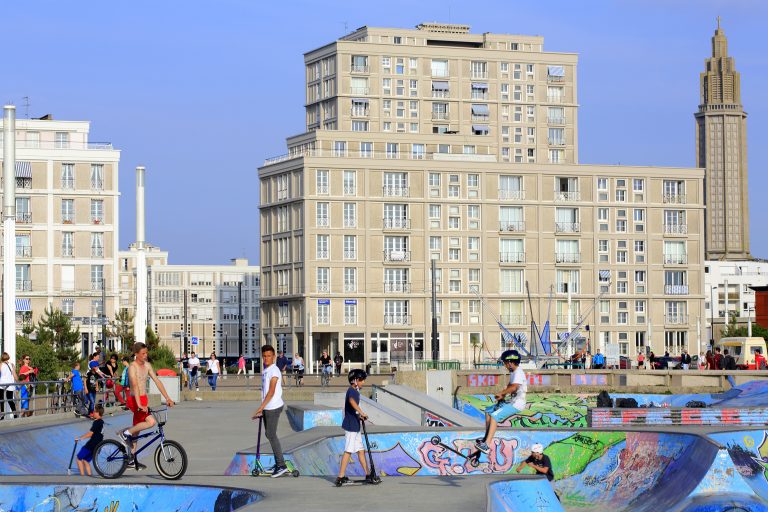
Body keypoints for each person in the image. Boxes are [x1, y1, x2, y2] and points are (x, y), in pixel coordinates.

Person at [119, 342, 175, 469]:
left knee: (137, 431)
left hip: (143, 399)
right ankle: (125, 433)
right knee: (151, 422)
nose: (145, 355)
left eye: (146, 353)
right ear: (136, 354)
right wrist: (139, 404)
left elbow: (157, 380)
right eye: (143, 353)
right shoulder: (132, 367)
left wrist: (167, 398)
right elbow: (134, 385)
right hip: (134, 399)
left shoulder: (147, 365)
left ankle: (131, 459)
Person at [475, 350, 527, 454]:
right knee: (488, 411)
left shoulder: (518, 372)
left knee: (495, 416)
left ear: (510, 362)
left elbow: (514, 387)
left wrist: (502, 393)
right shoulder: (513, 373)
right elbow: (510, 386)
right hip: (511, 401)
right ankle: (485, 439)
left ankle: (487, 445)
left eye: (505, 363)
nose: (505, 366)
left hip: (517, 404)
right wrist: (503, 395)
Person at [251, 344, 289, 477]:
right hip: (268, 407)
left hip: (273, 406)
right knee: (269, 434)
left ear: (274, 357)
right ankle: (279, 462)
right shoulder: (266, 370)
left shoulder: (274, 370)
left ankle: (281, 465)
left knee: (271, 434)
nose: (266, 358)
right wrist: (263, 408)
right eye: (264, 356)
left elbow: (271, 391)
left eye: (269, 356)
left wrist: (260, 408)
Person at [335, 369, 370, 486]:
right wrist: (362, 412)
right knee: (348, 451)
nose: (363, 382)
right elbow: (351, 401)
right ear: (355, 380)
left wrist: (359, 416)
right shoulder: (352, 391)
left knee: (361, 451)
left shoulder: (355, 391)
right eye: (361, 380)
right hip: (351, 427)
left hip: (355, 426)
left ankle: (368, 474)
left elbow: (352, 408)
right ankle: (340, 477)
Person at [75, 404, 105, 476]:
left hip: (91, 445)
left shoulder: (96, 422)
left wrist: (80, 438)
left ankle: (82, 476)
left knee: (79, 458)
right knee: (86, 460)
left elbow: (90, 434)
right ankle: (89, 475)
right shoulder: (102, 422)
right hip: (97, 445)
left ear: (98, 413)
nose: (93, 413)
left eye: (95, 411)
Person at [0, 352, 18, 420]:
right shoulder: (12, 365)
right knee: (10, 399)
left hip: (2, 384)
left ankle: (2, 415)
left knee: (1, 399)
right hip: (10, 385)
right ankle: (15, 414)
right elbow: (14, 375)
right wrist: (17, 381)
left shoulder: (1, 364)